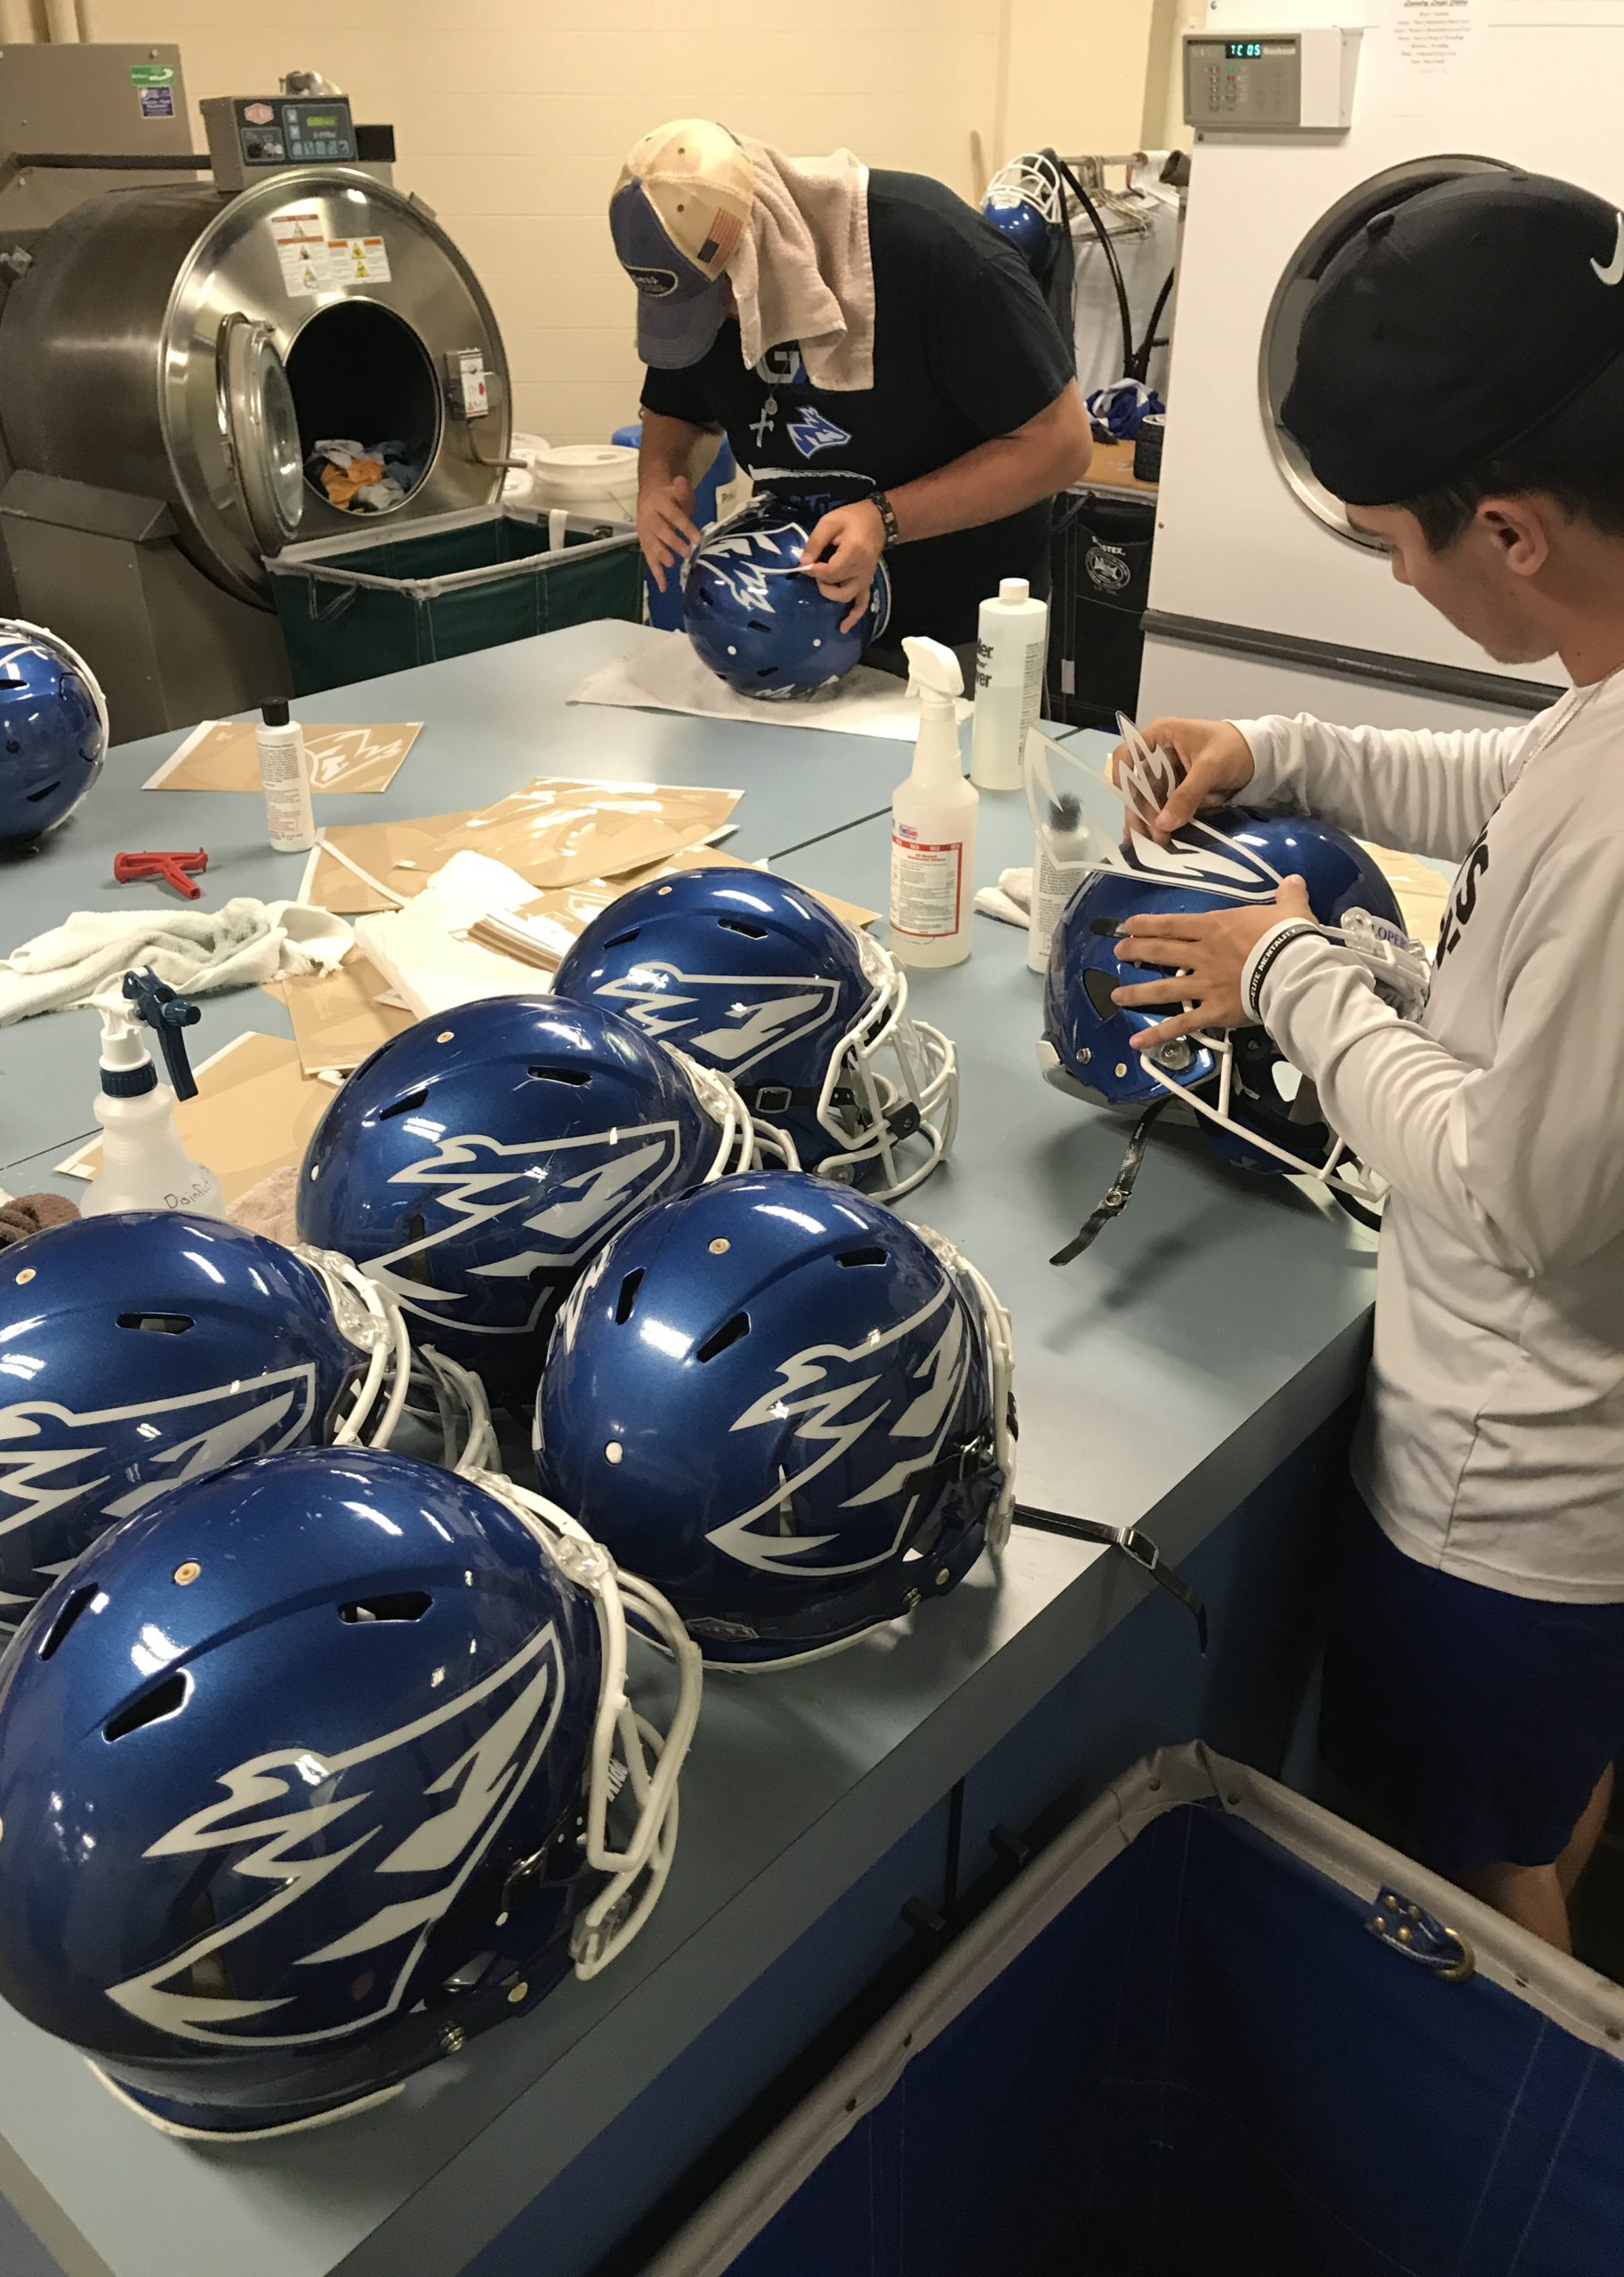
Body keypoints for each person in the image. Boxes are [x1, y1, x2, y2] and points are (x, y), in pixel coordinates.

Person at [1109, 171, 1624, 1953]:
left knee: (1476, 1889)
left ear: (1513, 529)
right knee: (1535, 1799)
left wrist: (1293, 976)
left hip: (1516, 1493)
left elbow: (1515, 1193)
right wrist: (1277, 743)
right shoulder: (1606, 685)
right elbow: (1512, 781)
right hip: (1575, 1489)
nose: (1395, 573)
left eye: (1399, 539)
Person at [608, 119, 1089, 663]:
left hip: (955, 634)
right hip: (796, 624)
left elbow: (1061, 444)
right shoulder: (699, 288)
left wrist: (885, 516)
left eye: (722, 301)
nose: (719, 321)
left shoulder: (938, 250)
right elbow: (678, 409)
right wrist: (657, 486)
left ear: (756, 243)